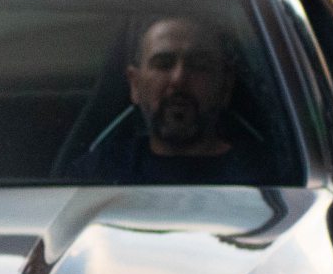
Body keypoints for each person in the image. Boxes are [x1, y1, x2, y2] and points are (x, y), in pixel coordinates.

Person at [69, 15, 274, 186]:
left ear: (225, 86)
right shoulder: (97, 175)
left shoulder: (271, 183)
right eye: (163, 64)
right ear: (135, 84)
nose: (179, 79)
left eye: (198, 65)